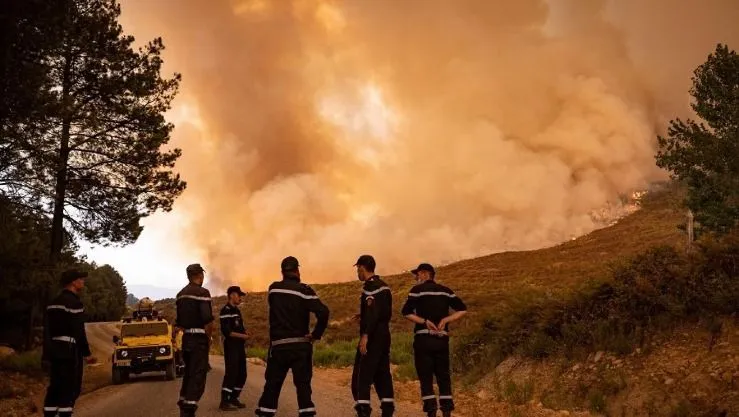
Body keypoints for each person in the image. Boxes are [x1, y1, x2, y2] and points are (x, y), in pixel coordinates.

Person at [255, 256, 330, 417]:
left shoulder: (274, 289)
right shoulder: (304, 290)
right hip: (300, 346)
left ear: (282, 272)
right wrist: (316, 334)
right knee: (303, 387)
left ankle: (266, 413)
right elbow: (324, 312)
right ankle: (306, 413)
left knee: (272, 386)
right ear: (297, 271)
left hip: (278, 347)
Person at [401, 263, 467, 417]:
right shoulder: (446, 291)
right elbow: (463, 309)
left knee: (426, 377)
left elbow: (406, 312)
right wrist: (446, 320)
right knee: (443, 376)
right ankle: (446, 412)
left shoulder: (417, 291)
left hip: (423, 338)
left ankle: (431, 411)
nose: (417, 278)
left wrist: (424, 321)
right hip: (442, 339)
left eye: (418, 274)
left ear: (425, 274)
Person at [42, 269, 92, 417]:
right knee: (70, 388)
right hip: (70, 351)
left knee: (55, 387)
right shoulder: (75, 303)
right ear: (73, 282)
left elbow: (47, 330)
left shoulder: (52, 303)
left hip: (53, 350)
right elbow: (79, 331)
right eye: (80, 279)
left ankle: (50, 414)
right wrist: (86, 353)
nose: (83, 281)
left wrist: (46, 354)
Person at [351, 254, 395, 417]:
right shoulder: (384, 286)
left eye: (357, 269)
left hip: (373, 336)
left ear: (362, 268)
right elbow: (383, 313)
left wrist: (365, 335)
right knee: (383, 373)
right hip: (384, 335)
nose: (357, 274)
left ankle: (363, 411)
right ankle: (388, 411)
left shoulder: (369, 287)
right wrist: (362, 316)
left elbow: (372, 313)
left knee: (362, 375)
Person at [175, 263, 215, 417]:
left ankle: (183, 403)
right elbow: (207, 319)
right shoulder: (202, 292)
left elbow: (179, 322)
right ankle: (188, 410)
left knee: (189, 374)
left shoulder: (180, 295)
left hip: (187, 340)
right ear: (200, 275)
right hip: (199, 340)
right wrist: (208, 338)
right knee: (198, 376)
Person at [219, 285, 249, 411]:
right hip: (231, 346)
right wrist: (243, 336)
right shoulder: (225, 310)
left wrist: (245, 334)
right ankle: (224, 402)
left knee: (242, 374)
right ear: (232, 295)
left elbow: (238, 327)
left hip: (239, 346)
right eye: (239, 295)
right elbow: (228, 332)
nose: (240, 298)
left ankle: (233, 398)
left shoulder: (237, 310)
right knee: (232, 373)